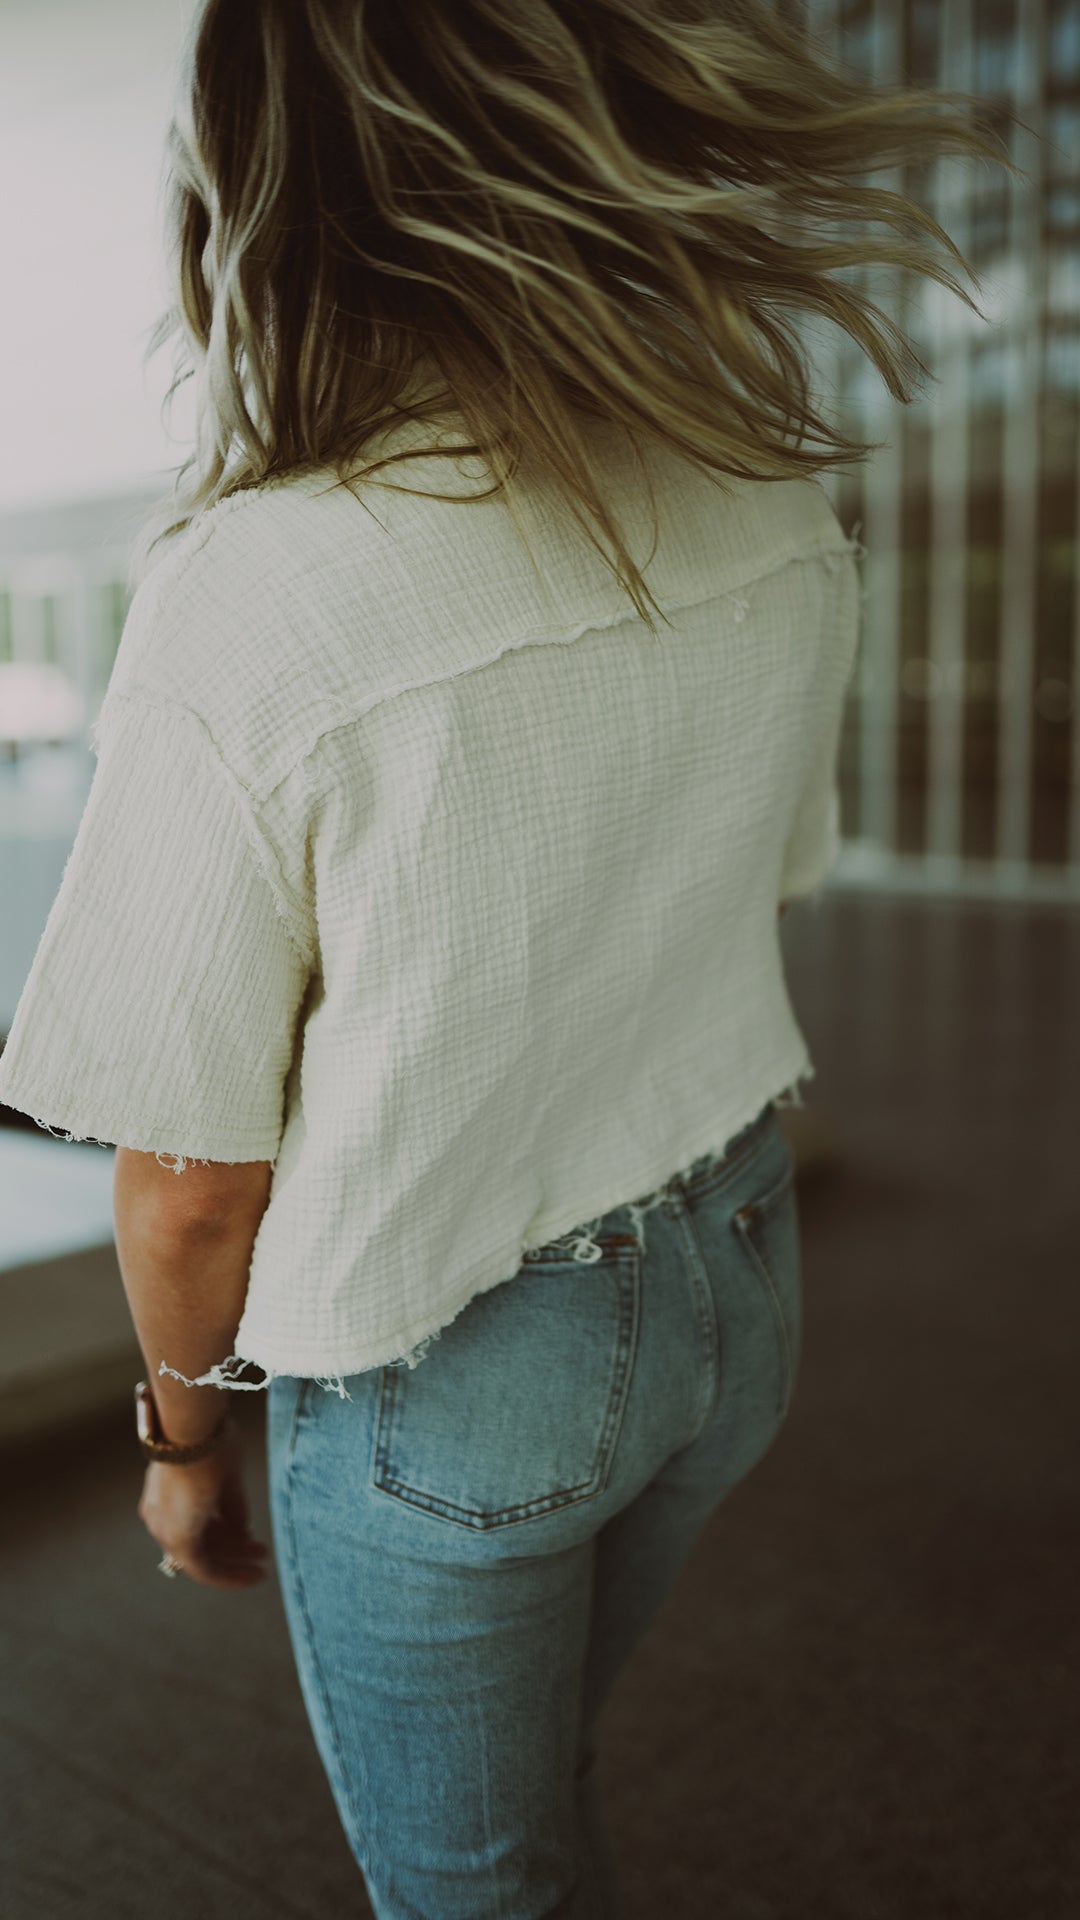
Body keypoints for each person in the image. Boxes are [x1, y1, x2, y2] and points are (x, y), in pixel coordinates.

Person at [0, 2, 1016, 1913]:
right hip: (736, 1294)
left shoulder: (259, 583)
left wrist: (180, 1439)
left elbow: (187, 1177)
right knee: (536, 1789)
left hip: (456, 1368)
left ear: (272, 194)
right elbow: (754, 882)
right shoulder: (762, 480)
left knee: (476, 1882)